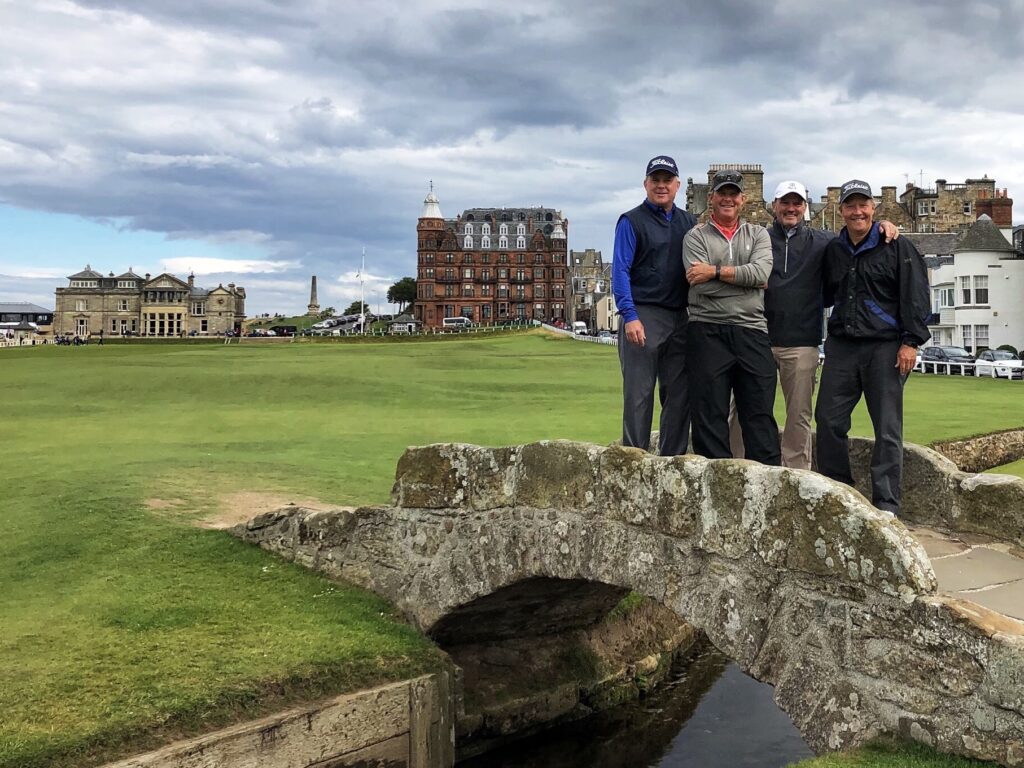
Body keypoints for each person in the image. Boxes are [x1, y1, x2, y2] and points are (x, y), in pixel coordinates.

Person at [729, 181, 900, 470]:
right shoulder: (756, 239)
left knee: (798, 416)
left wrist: (882, 224)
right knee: (742, 410)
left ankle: (796, 475)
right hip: (756, 338)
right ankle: (736, 468)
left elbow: (854, 239)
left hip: (802, 341)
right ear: (775, 206)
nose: (791, 208)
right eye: (785, 202)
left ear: (805, 207)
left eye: (797, 203)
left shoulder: (824, 242)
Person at [815, 180, 930, 515]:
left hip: (886, 347)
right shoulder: (834, 249)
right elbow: (824, 293)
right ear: (841, 211)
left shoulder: (896, 245)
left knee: (887, 428)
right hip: (843, 346)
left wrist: (910, 342)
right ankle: (839, 491)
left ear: (873, 208)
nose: (857, 212)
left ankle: (887, 503)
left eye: (863, 205)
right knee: (829, 420)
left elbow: (916, 296)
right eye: (850, 206)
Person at [683, 169, 779, 465]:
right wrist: (746, 283)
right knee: (709, 414)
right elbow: (698, 285)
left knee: (759, 414)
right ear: (711, 198)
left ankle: (767, 486)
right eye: (721, 194)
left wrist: (714, 271)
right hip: (707, 330)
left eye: (733, 194)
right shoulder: (695, 236)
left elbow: (761, 274)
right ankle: (716, 489)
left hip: (751, 330)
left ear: (743, 199)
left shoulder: (758, 234)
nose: (728, 199)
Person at [612, 155, 697, 455]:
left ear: (676, 185)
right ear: (646, 184)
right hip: (643, 313)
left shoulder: (689, 222)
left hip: (680, 316)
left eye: (667, 181)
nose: (661, 186)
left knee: (679, 394)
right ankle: (634, 461)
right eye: (655, 180)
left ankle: (671, 461)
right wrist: (629, 315)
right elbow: (620, 270)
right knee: (639, 394)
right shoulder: (631, 221)